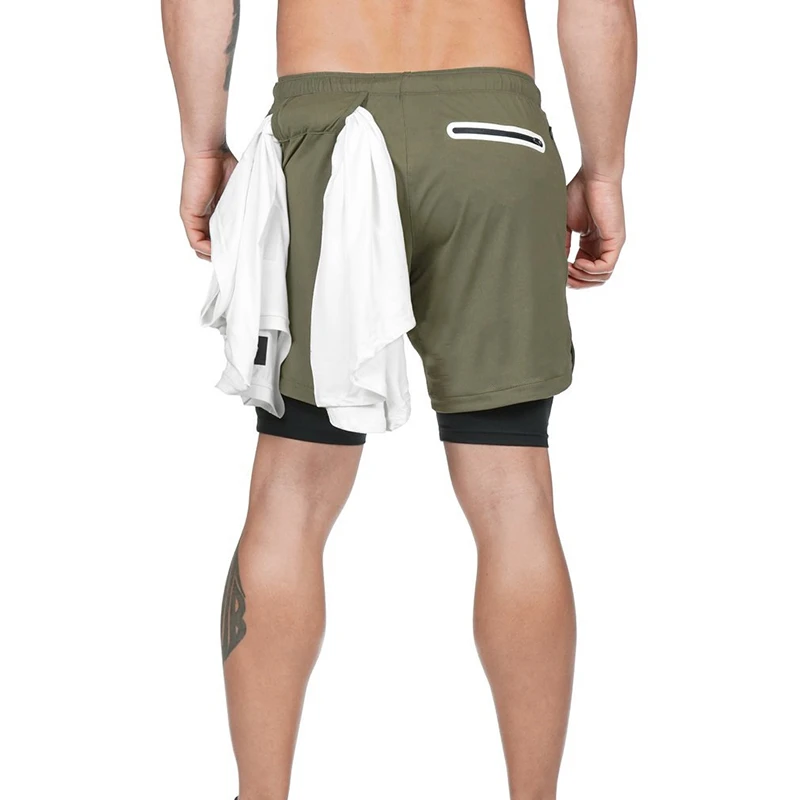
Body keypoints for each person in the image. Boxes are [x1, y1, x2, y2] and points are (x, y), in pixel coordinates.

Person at [161, 0, 636, 797]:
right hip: (493, 137)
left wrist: (201, 146)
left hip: (327, 129)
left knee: (290, 492)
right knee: (514, 496)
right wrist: (605, 169)